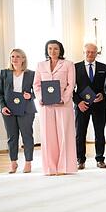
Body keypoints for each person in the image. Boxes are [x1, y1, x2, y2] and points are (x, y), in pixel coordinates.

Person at [33, 40, 77, 176]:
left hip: (63, 104)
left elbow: (71, 84)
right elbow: (36, 85)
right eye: (50, 48)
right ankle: (50, 168)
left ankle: (64, 167)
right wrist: (41, 98)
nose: (53, 51)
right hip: (46, 105)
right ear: (47, 50)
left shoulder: (68, 64)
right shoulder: (40, 65)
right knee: (48, 136)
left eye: (56, 49)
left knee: (64, 135)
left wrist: (63, 98)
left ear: (60, 50)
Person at [0, 48, 36, 174]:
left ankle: (28, 162)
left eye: (18, 56)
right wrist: (3, 106)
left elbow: (38, 91)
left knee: (27, 136)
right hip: (9, 110)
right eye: (12, 56)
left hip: (26, 109)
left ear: (23, 58)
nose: (14, 59)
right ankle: (13, 163)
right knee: (12, 137)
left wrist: (31, 96)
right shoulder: (4, 73)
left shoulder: (31, 74)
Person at [72, 43, 106, 170]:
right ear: (83, 52)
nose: (90, 54)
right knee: (80, 133)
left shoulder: (105, 67)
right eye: (88, 52)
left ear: (97, 53)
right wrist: (78, 102)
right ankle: (80, 160)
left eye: (93, 52)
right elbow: (70, 88)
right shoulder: (75, 67)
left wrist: (103, 95)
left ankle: (100, 159)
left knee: (100, 133)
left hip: (100, 106)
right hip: (82, 106)